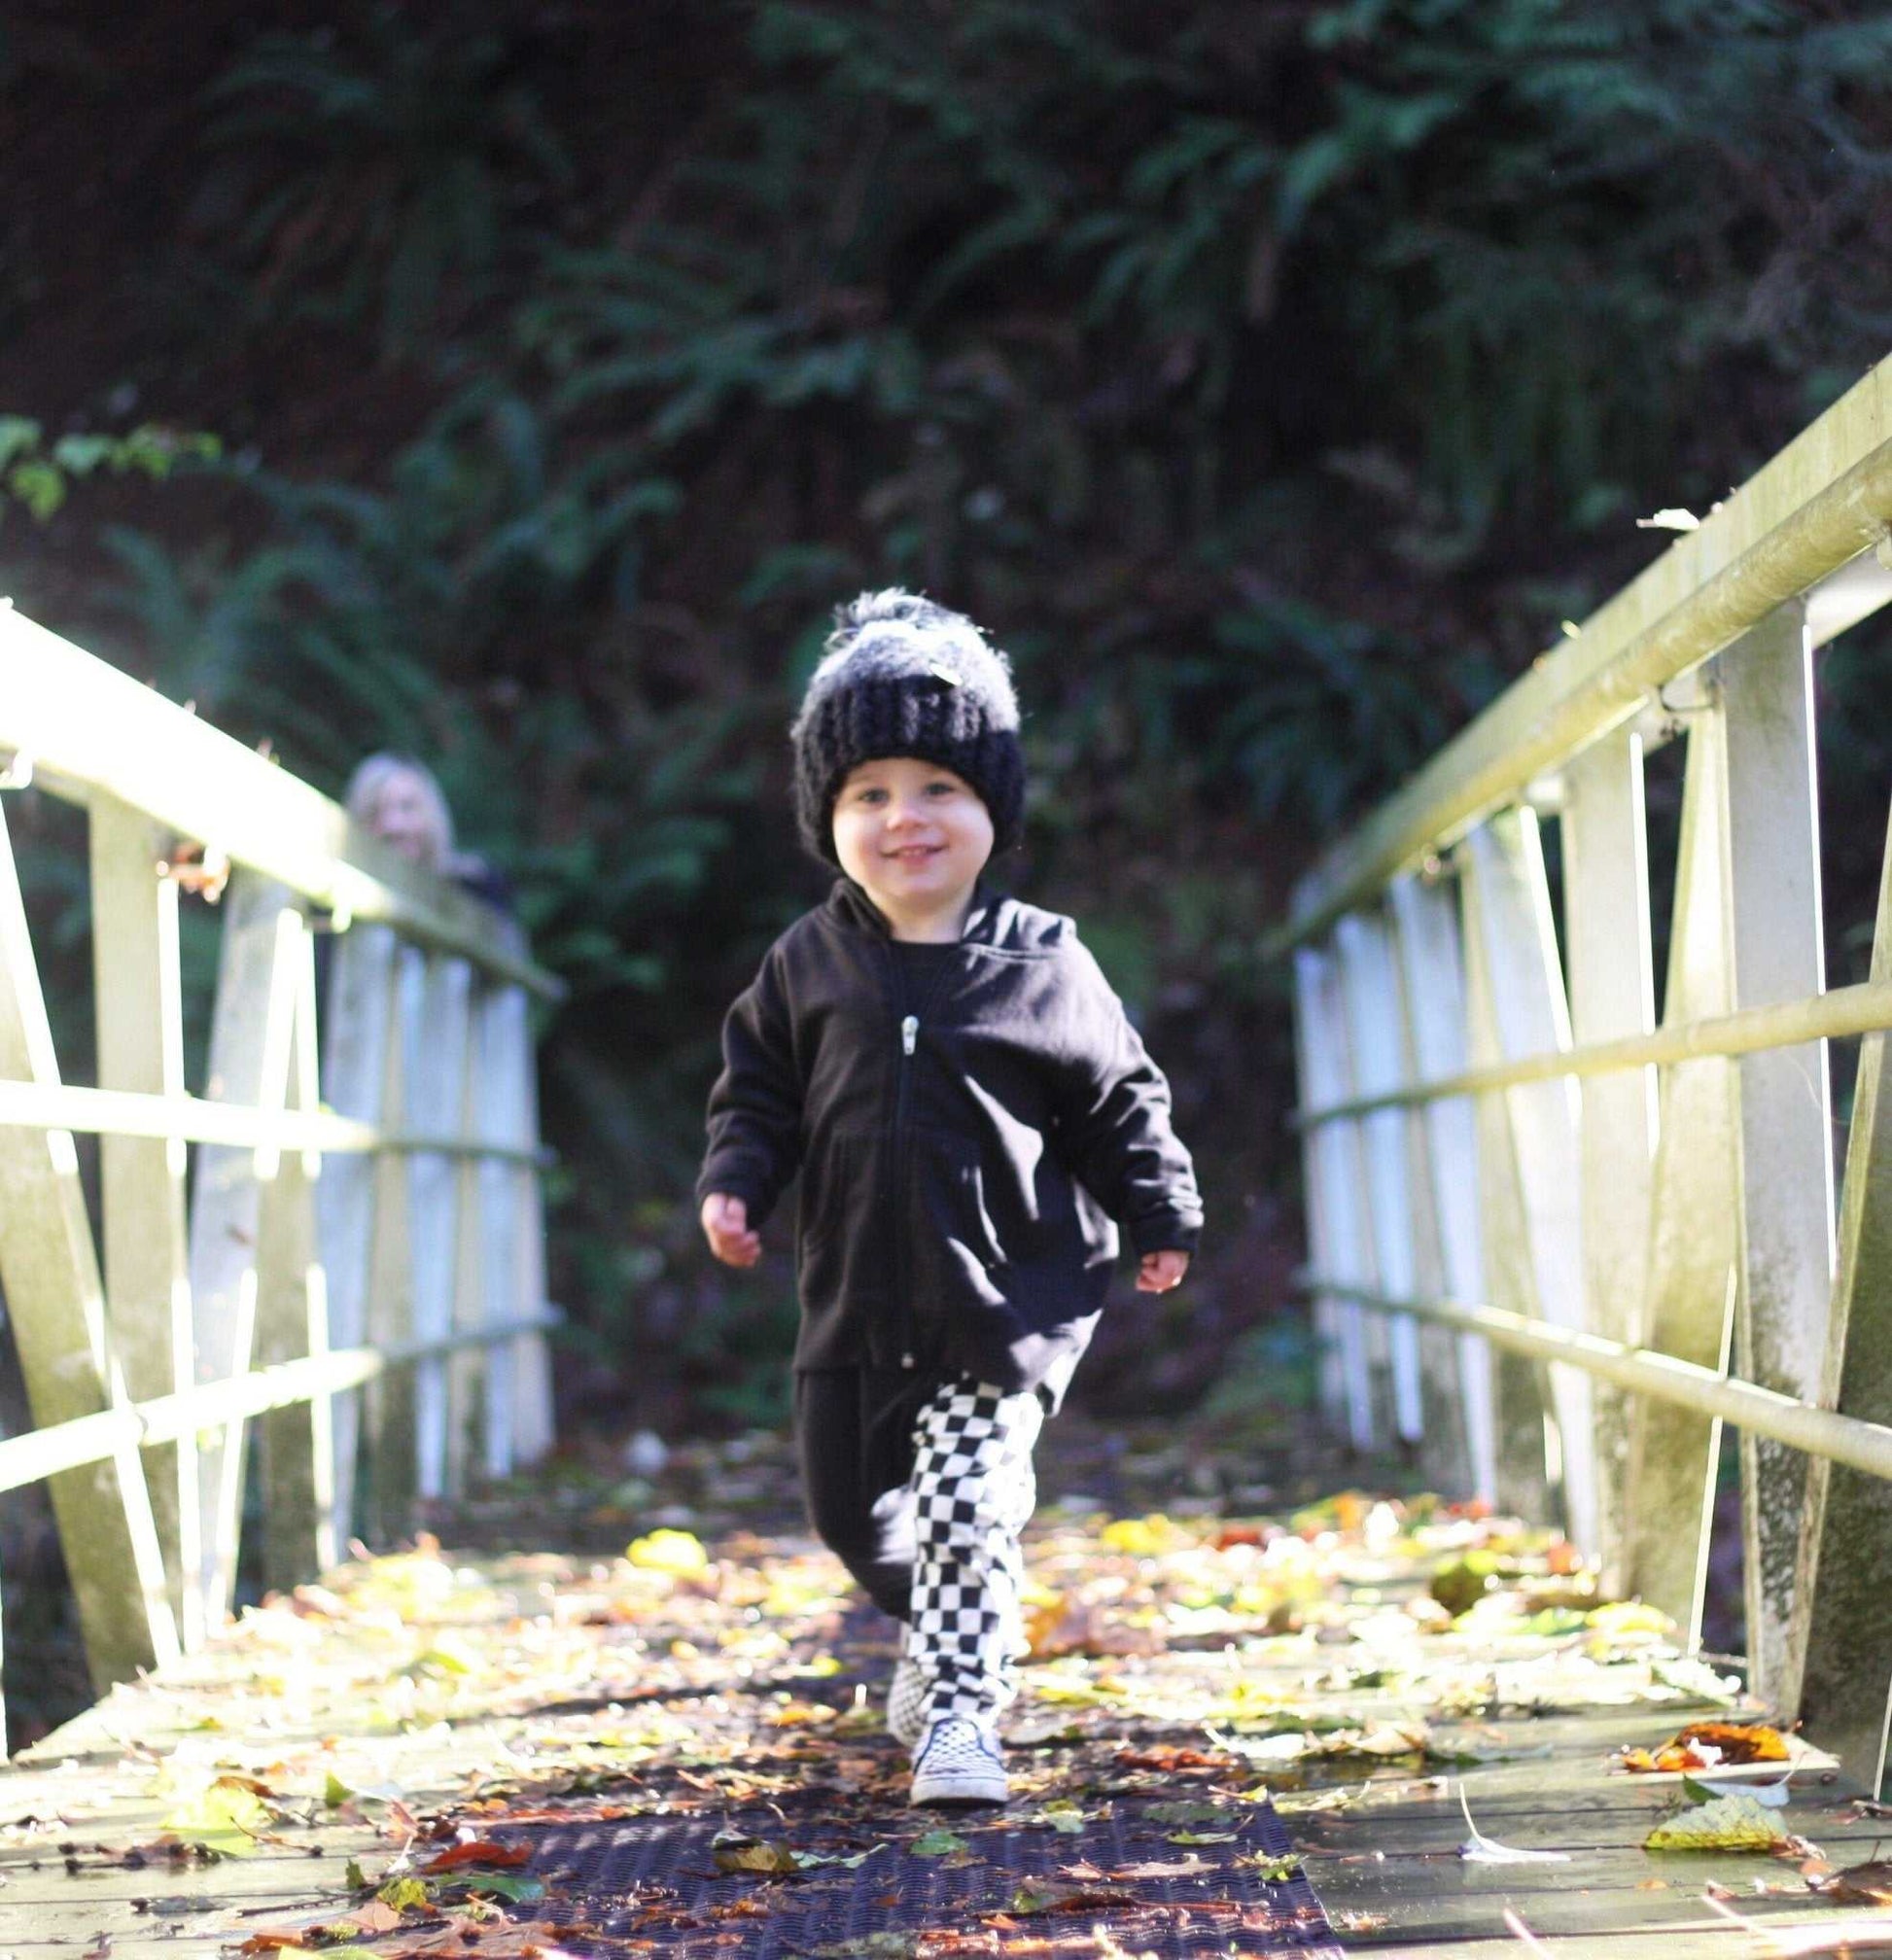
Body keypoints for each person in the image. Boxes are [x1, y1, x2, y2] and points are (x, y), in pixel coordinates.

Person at [697, 589, 1202, 1806]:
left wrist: (1157, 1208)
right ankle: (938, 1629)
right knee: (847, 1517)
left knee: (970, 1507)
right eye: (867, 794)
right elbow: (754, 1091)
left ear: (992, 810)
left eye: (937, 788)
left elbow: (1118, 1095)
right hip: (855, 1299)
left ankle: (964, 1719)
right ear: (830, 820)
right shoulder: (803, 964)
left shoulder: (1044, 962)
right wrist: (735, 1182)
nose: (903, 819)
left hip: (1006, 1298)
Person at [342, 752, 514, 914]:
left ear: (432, 815)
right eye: (374, 812)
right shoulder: (338, 899)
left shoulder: (479, 890)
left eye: (407, 806)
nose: (393, 825)